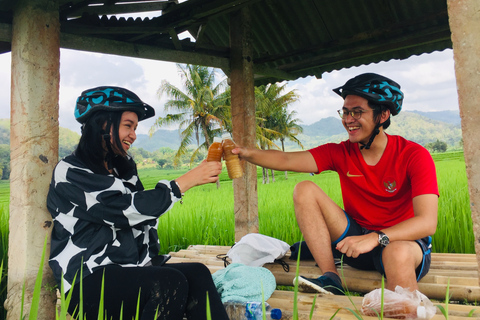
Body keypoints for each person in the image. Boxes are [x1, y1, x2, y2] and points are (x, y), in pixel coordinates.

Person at [232, 73, 439, 295]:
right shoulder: (340, 152)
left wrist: (375, 238)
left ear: (383, 115)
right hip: (356, 244)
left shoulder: (414, 155)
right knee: (304, 189)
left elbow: (427, 222)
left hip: (401, 243)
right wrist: (244, 152)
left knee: (396, 253)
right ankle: (331, 277)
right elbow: (286, 159)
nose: (348, 119)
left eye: (357, 112)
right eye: (345, 112)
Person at [47, 86, 229, 320]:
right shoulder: (71, 171)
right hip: (87, 279)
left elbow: (144, 214)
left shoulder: (121, 167)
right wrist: (184, 182)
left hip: (130, 269)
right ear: (103, 123)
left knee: (197, 273)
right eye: (128, 125)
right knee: (167, 283)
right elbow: (124, 210)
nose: (133, 134)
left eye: (135, 127)